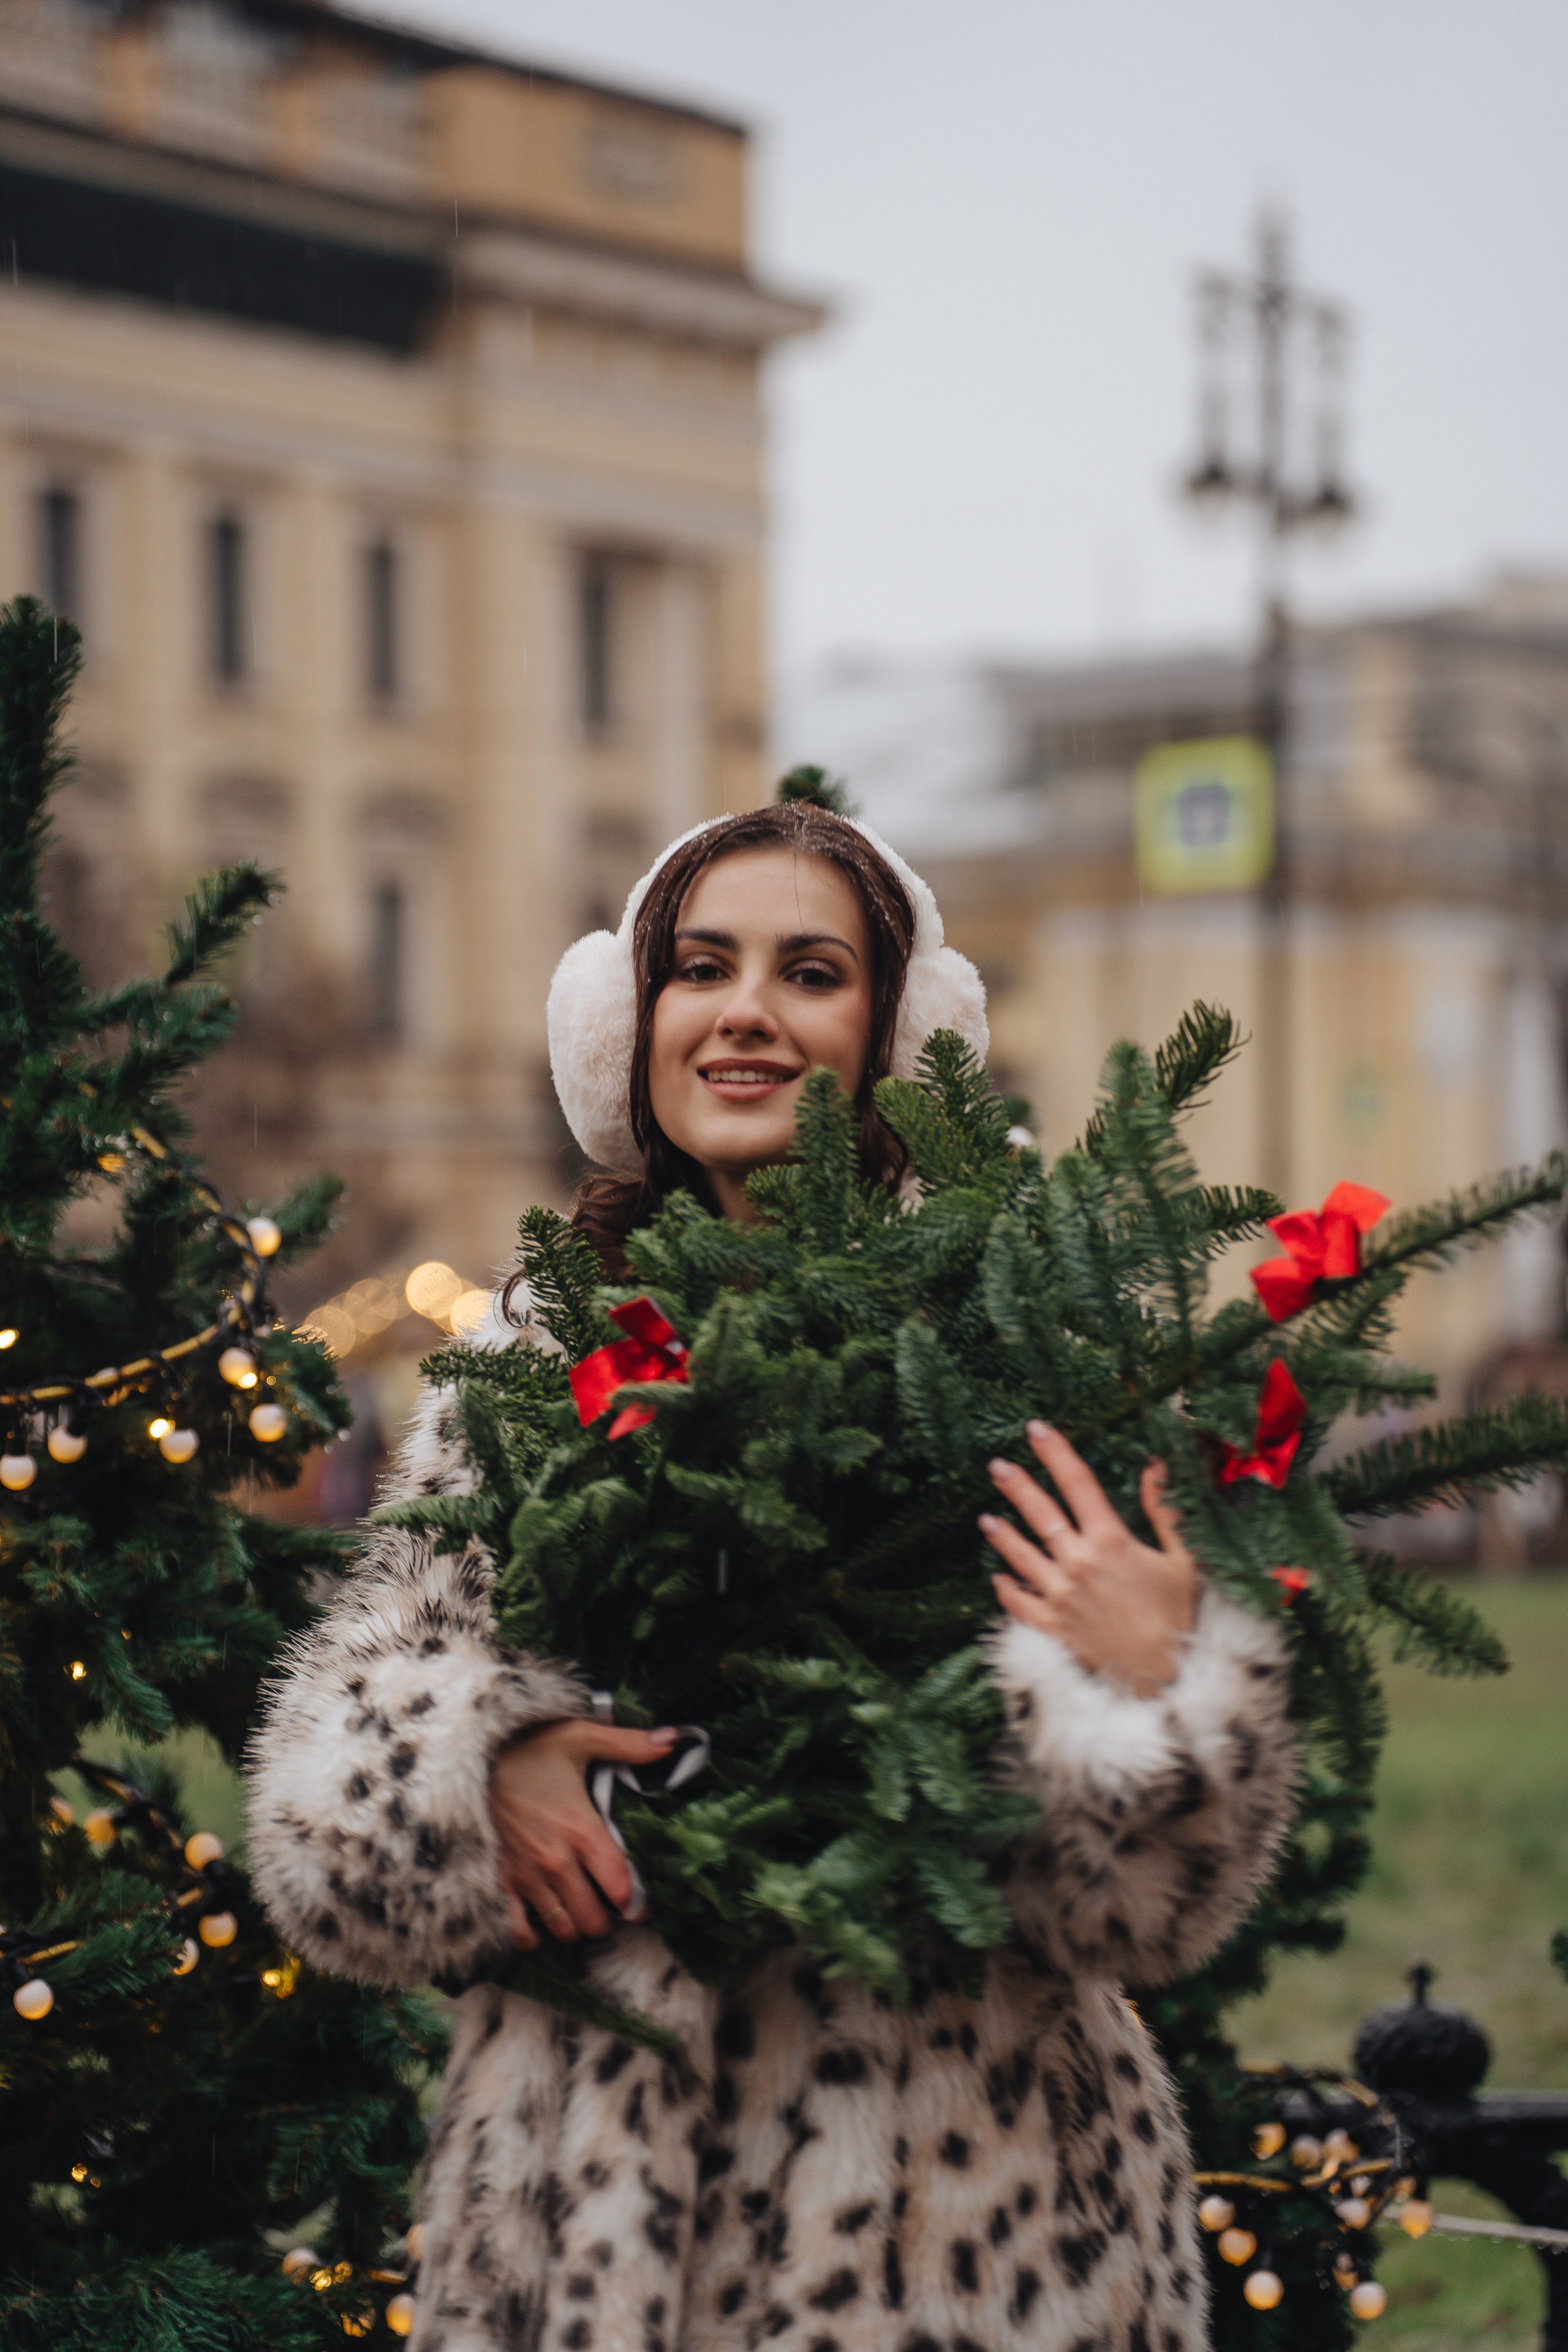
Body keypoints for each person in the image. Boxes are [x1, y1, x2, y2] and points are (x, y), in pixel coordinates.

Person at [249, 793, 1298, 2352]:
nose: (744, 1012)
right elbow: (336, 1817)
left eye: (809, 973)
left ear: (888, 1030)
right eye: (699, 967)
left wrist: (1158, 1684)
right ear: (631, 1022)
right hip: (579, 2242)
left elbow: (1145, 1915)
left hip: (959, 2255)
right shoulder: (530, 1366)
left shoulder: (1004, 1338)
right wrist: (491, 1765)